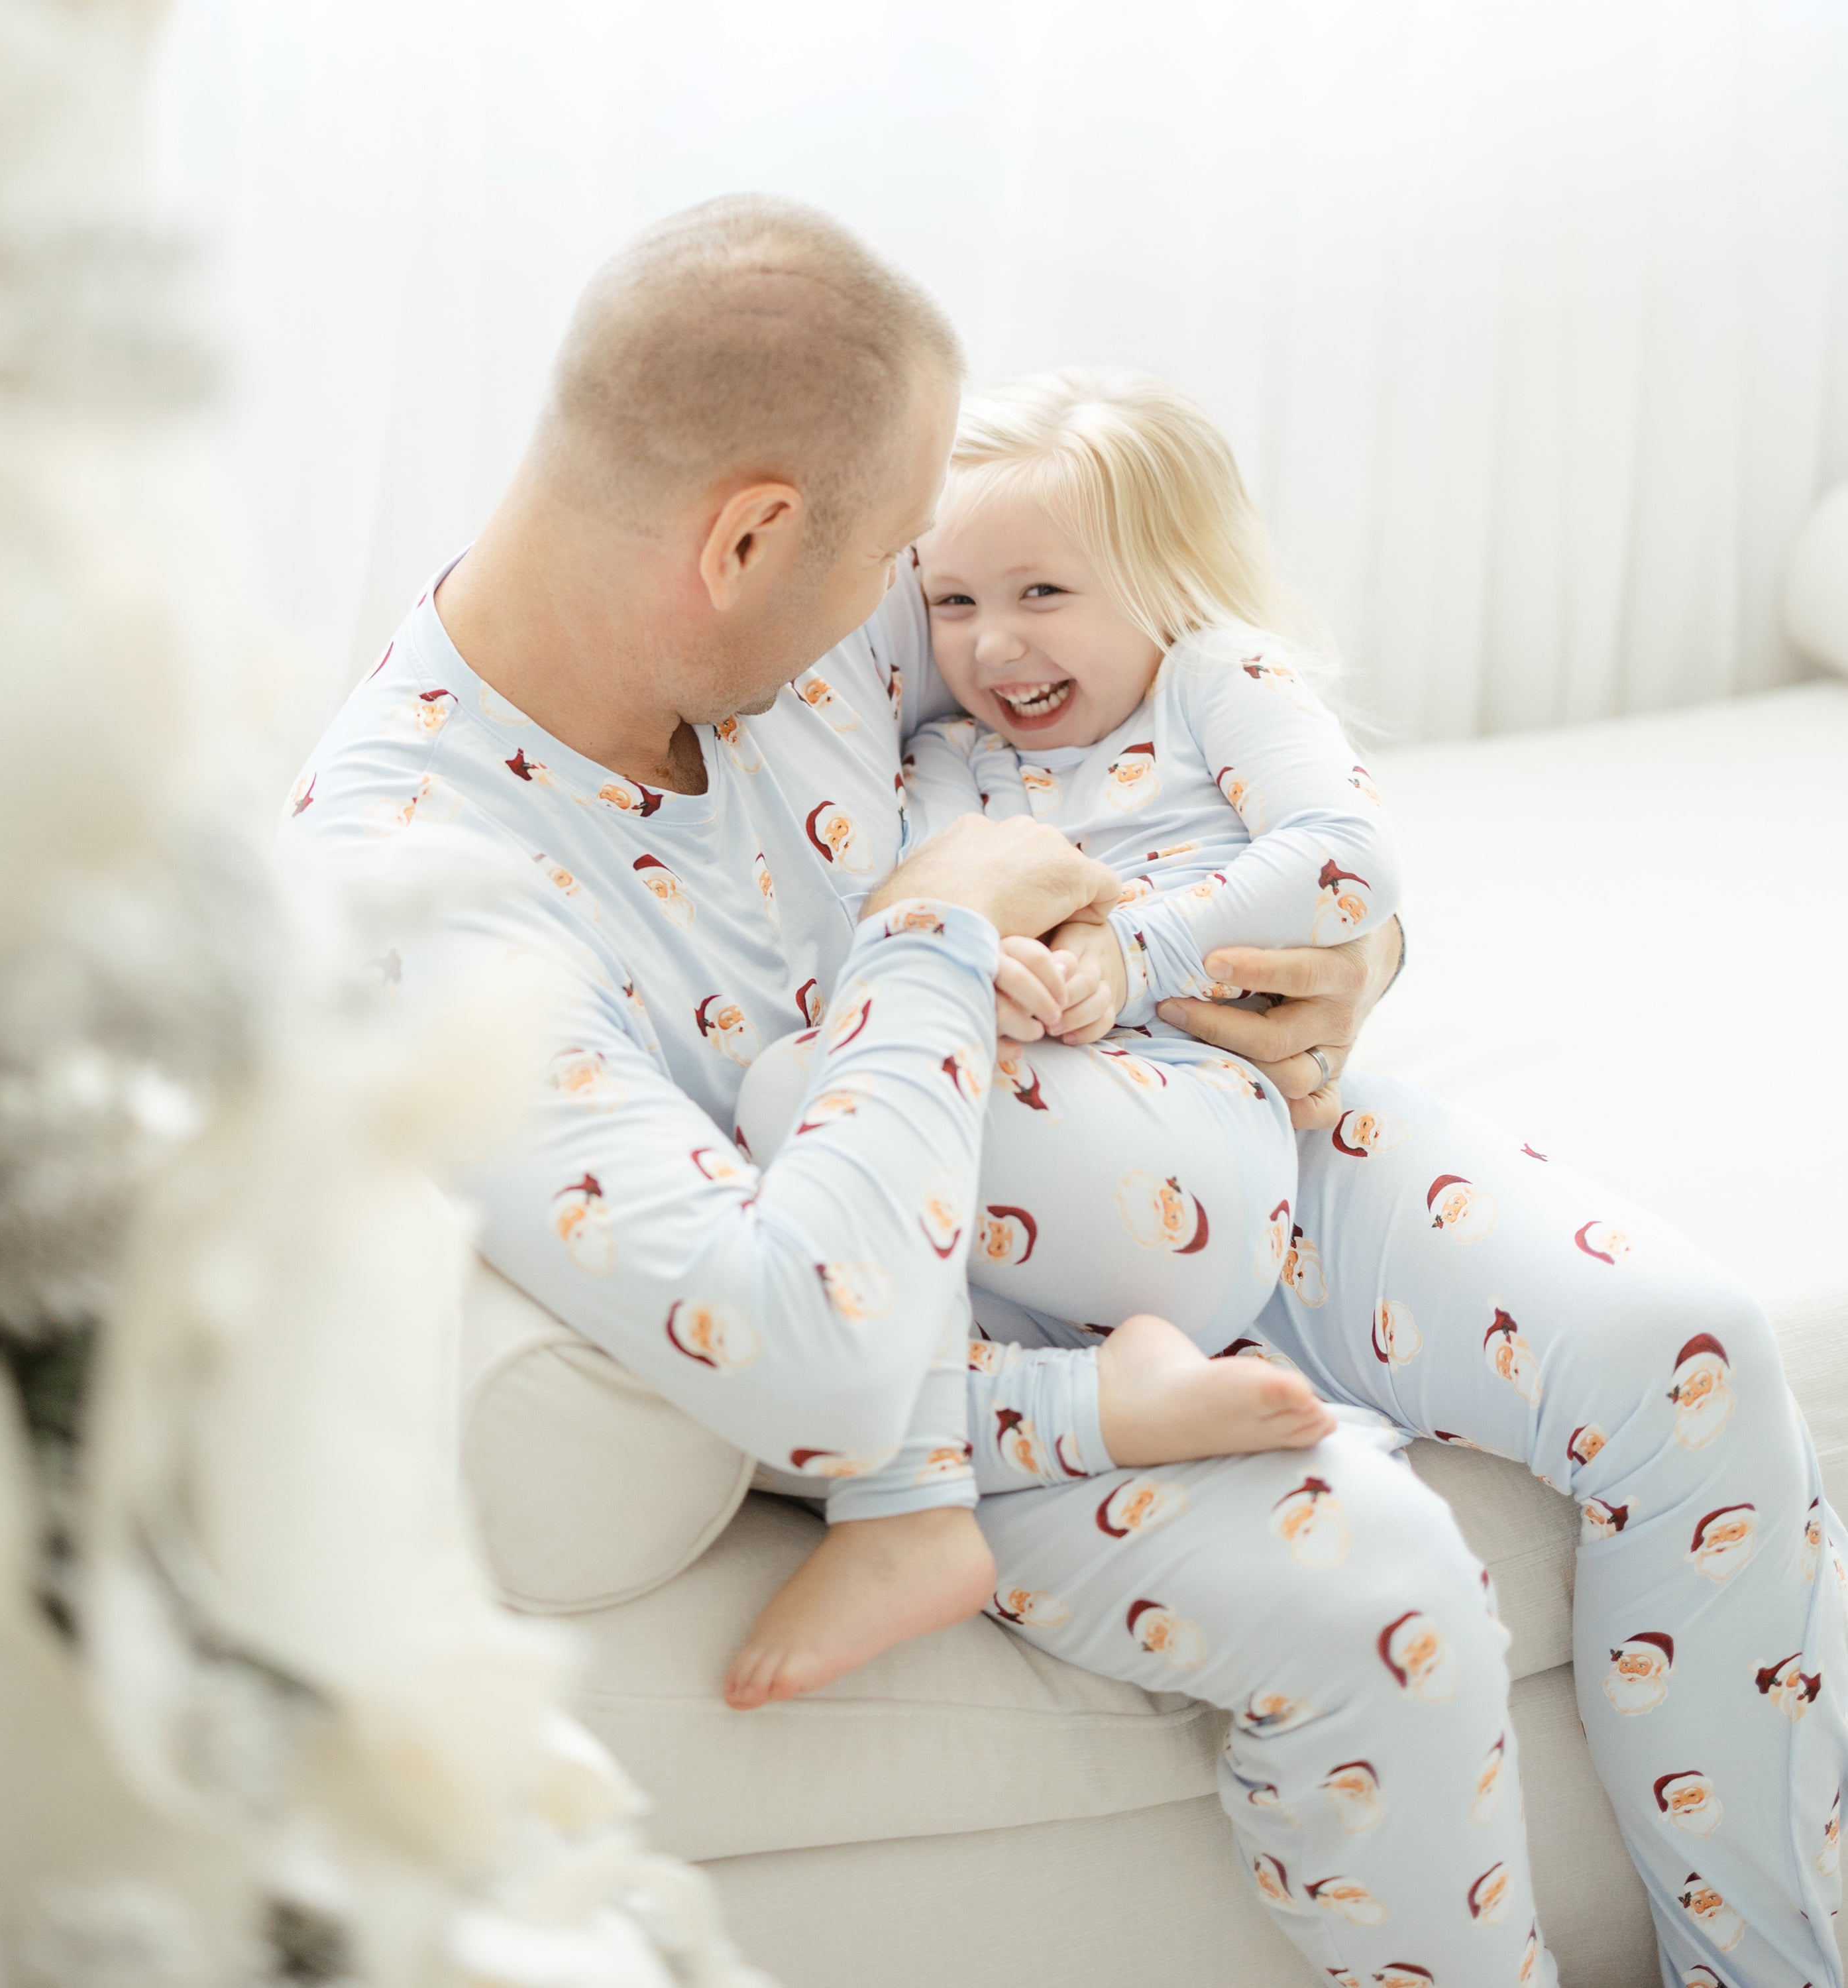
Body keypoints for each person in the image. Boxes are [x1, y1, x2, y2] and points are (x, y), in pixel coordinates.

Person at [280, 195, 1845, 1988]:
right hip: (990, 1340)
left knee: (1691, 1349)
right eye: (892, 566)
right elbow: (804, 1341)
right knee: (1386, 1589)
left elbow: (1140, 721)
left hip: (1213, 1130)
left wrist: (1328, 963)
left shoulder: (793, 610)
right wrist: (939, 942)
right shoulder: (420, 887)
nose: (920, 622)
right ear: (749, 538)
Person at [724, 364, 1401, 1704]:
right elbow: (919, 923)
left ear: (1160, 578)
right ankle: (1103, 1399)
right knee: (825, 1195)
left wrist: (1122, 951)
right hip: (1063, 1170)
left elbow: (1347, 859)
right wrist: (1000, 969)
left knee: (801, 1091)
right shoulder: (952, 761)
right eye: (957, 603)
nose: (992, 645)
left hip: (1204, 1133)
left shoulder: (1217, 680)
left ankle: (909, 1507)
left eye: (1042, 595)